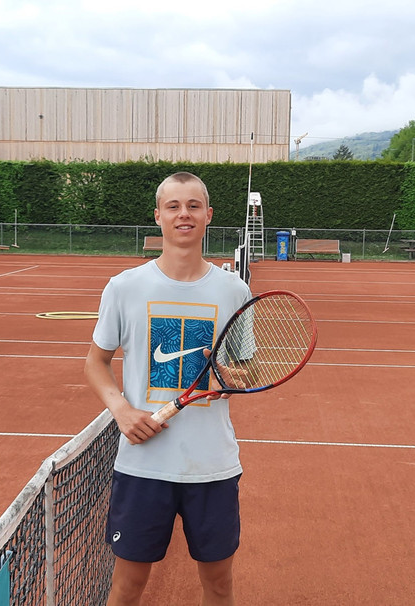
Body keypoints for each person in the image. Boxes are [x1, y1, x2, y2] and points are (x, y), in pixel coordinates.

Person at [85, 172, 252, 606]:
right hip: (143, 466)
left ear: (208, 215)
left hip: (212, 466)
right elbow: (95, 363)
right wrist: (121, 410)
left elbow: (243, 370)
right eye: (173, 206)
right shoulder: (124, 287)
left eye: (193, 206)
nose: (184, 214)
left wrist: (232, 379)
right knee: (126, 589)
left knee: (219, 585)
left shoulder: (235, 291)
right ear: (157, 215)